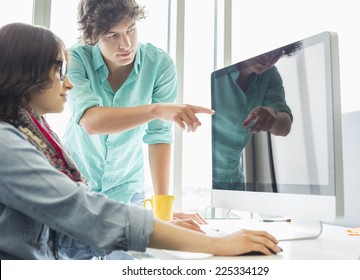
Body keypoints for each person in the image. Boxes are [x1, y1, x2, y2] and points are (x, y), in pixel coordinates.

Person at [0, 22, 281, 260]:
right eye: (61, 71)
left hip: (118, 201)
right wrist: (218, 244)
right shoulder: (7, 145)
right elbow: (82, 212)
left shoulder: (26, 134)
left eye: (131, 30)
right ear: (28, 73)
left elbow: (66, 233)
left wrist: (160, 222)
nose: (69, 83)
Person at [62, 0, 208, 223]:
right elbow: (91, 122)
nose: (126, 44)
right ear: (93, 36)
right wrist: (157, 110)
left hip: (127, 190)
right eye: (113, 35)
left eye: (131, 29)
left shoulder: (159, 65)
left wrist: (163, 212)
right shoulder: (76, 60)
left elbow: (159, 136)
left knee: (130, 257)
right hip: (75, 186)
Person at [212, 42, 301, 190]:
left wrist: (273, 116)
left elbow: (285, 127)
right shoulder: (217, 67)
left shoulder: (270, 75)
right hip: (201, 179)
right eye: (266, 49)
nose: (269, 58)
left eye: (277, 53)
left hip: (233, 182)